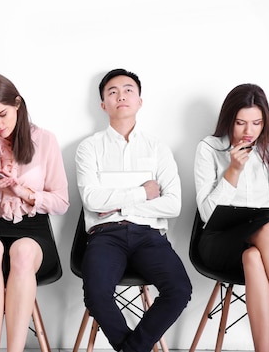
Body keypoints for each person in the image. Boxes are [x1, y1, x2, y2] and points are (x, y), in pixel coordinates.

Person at [75, 68, 192, 352]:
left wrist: (114, 199)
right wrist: (144, 192)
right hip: (105, 235)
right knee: (96, 294)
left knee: (179, 290)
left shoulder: (158, 148)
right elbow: (92, 200)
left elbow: (173, 204)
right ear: (103, 104)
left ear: (140, 100)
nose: (121, 96)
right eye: (112, 92)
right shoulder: (89, 148)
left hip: (149, 236)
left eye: (128, 90)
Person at [0, 73, 69, 352]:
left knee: (23, 253)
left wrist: (24, 193)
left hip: (32, 228)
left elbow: (61, 202)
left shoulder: (45, 140)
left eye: (3, 115)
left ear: (17, 103)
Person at [194, 83, 269, 351]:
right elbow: (208, 214)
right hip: (219, 243)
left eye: (256, 123)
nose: (248, 131)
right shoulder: (209, 149)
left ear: (265, 122)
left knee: (256, 250)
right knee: (265, 232)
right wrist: (232, 170)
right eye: (241, 123)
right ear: (228, 120)